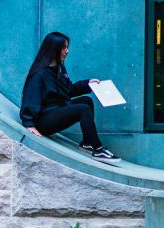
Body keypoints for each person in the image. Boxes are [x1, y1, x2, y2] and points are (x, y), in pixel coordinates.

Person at [20, 31, 120, 163]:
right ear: (53, 49)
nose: (67, 51)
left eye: (67, 47)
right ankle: (98, 149)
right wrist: (29, 123)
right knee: (82, 109)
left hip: (56, 110)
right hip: (43, 121)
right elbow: (30, 99)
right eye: (63, 48)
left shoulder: (59, 68)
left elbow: (68, 90)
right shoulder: (40, 74)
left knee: (86, 101)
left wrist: (88, 84)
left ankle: (88, 143)